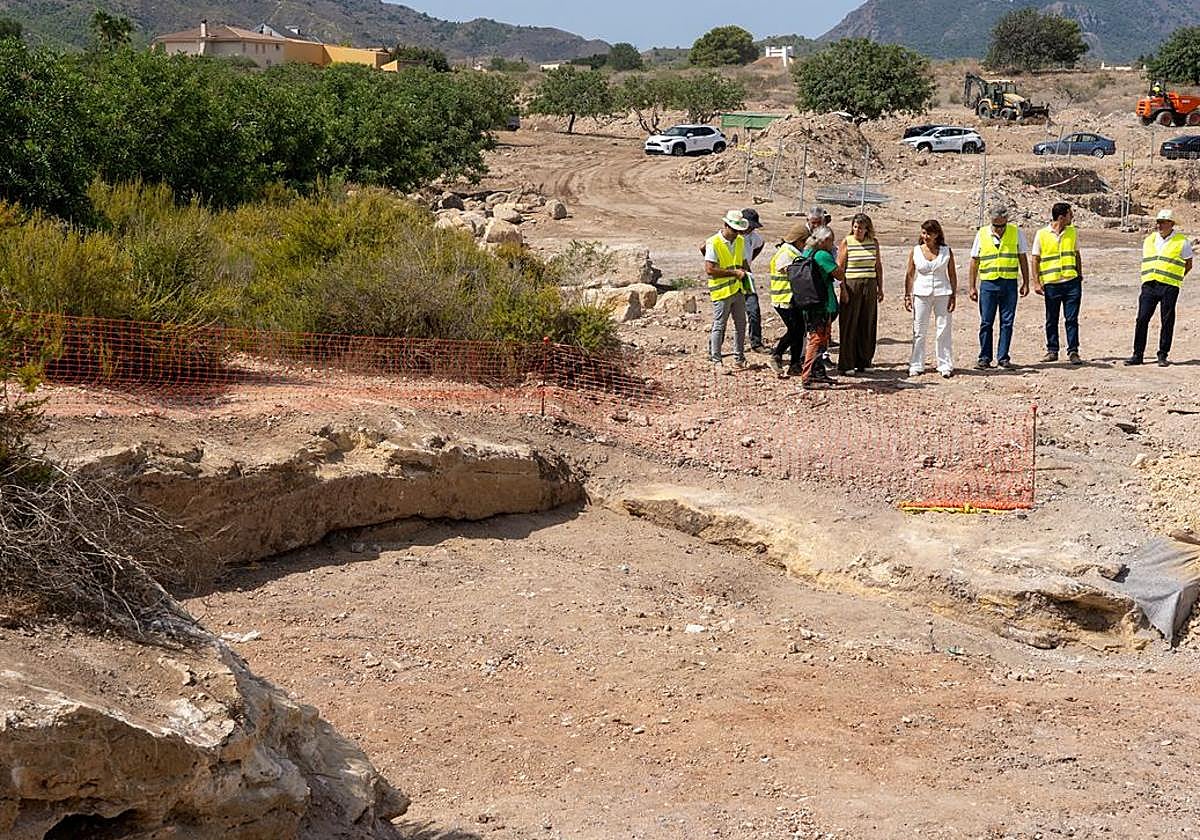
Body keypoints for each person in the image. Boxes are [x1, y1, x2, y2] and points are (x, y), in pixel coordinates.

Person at [1126, 209, 1193, 366]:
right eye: (1159, 222)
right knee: (1142, 319)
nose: (1160, 225)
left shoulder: (1182, 241)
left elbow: (1188, 264)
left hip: (1169, 286)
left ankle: (1162, 355)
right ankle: (1138, 354)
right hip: (1149, 284)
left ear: (1171, 224)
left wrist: (1176, 277)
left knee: (1167, 320)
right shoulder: (1149, 240)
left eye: (1163, 222)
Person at [968, 204, 1030, 369]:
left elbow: (1022, 257)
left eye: (1002, 225)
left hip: (1009, 284)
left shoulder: (1016, 233)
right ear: (991, 221)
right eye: (996, 225)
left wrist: (1026, 281)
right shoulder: (981, 234)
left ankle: (1003, 357)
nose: (1000, 229)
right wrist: (972, 286)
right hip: (988, 283)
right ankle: (984, 358)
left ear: (1007, 221)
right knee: (986, 322)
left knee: (1007, 322)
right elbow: (975, 260)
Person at [699, 207, 766, 351]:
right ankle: (714, 352)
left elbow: (757, 248)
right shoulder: (717, 241)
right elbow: (708, 263)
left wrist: (747, 267)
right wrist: (723, 267)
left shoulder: (747, 239)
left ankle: (752, 346)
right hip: (724, 284)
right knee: (721, 322)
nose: (749, 229)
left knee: (749, 315)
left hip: (742, 279)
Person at [1031, 202, 1083, 365]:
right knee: (1051, 318)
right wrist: (1037, 283)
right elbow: (1035, 259)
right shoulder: (1042, 234)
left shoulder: (1073, 232)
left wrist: (1079, 275)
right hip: (1052, 283)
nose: (1072, 217)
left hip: (1071, 282)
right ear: (1061, 217)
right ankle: (1052, 350)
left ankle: (1073, 351)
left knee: (1072, 318)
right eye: (1070, 214)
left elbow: (1076, 254)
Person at [904, 219, 957, 378]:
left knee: (943, 329)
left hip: (942, 292)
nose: (926, 236)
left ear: (937, 234)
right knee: (919, 329)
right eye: (924, 233)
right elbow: (910, 273)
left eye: (930, 233)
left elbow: (952, 274)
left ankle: (945, 364)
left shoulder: (946, 251)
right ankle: (916, 364)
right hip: (921, 293)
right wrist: (907, 294)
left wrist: (953, 294)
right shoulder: (916, 251)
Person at [836, 213, 884, 374]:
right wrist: (842, 289)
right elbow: (840, 268)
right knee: (850, 322)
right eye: (855, 227)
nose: (857, 230)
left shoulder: (873, 243)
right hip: (852, 284)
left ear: (867, 229)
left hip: (869, 284)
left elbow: (878, 266)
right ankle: (847, 363)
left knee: (867, 322)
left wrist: (880, 287)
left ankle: (864, 360)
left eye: (861, 228)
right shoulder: (847, 242)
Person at [796, 225, 844, 388]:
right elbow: (839, 274)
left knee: (820, 338)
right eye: (831, 240)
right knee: (817, 339)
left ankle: (818, 373)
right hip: (821, 303)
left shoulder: (807, 252)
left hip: (810, 302)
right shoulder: (822, 255)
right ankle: (808, 377)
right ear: (825, 241)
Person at [703, 209, 752, 367]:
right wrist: (734, 273)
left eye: (739, 230)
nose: (736, 233)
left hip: (737, 289)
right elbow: (710, 269)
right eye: (733, 229)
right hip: (721, 290)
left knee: (741, 324)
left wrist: (747, 275)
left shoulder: (739, 241)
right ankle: (716, 359)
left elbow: (743, 262)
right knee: (720, 325)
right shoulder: (714, 242)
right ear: (725, 225)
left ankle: (739, 358)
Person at [766, 223, 810, 376]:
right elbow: (792, 272)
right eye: (804, 241)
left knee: (799, 330)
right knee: (795, 330)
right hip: (784, 299)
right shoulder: (786, 253)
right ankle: (777, 355)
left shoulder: (792, 251)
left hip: (791, 298)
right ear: (798, 240)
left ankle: (794, 364)